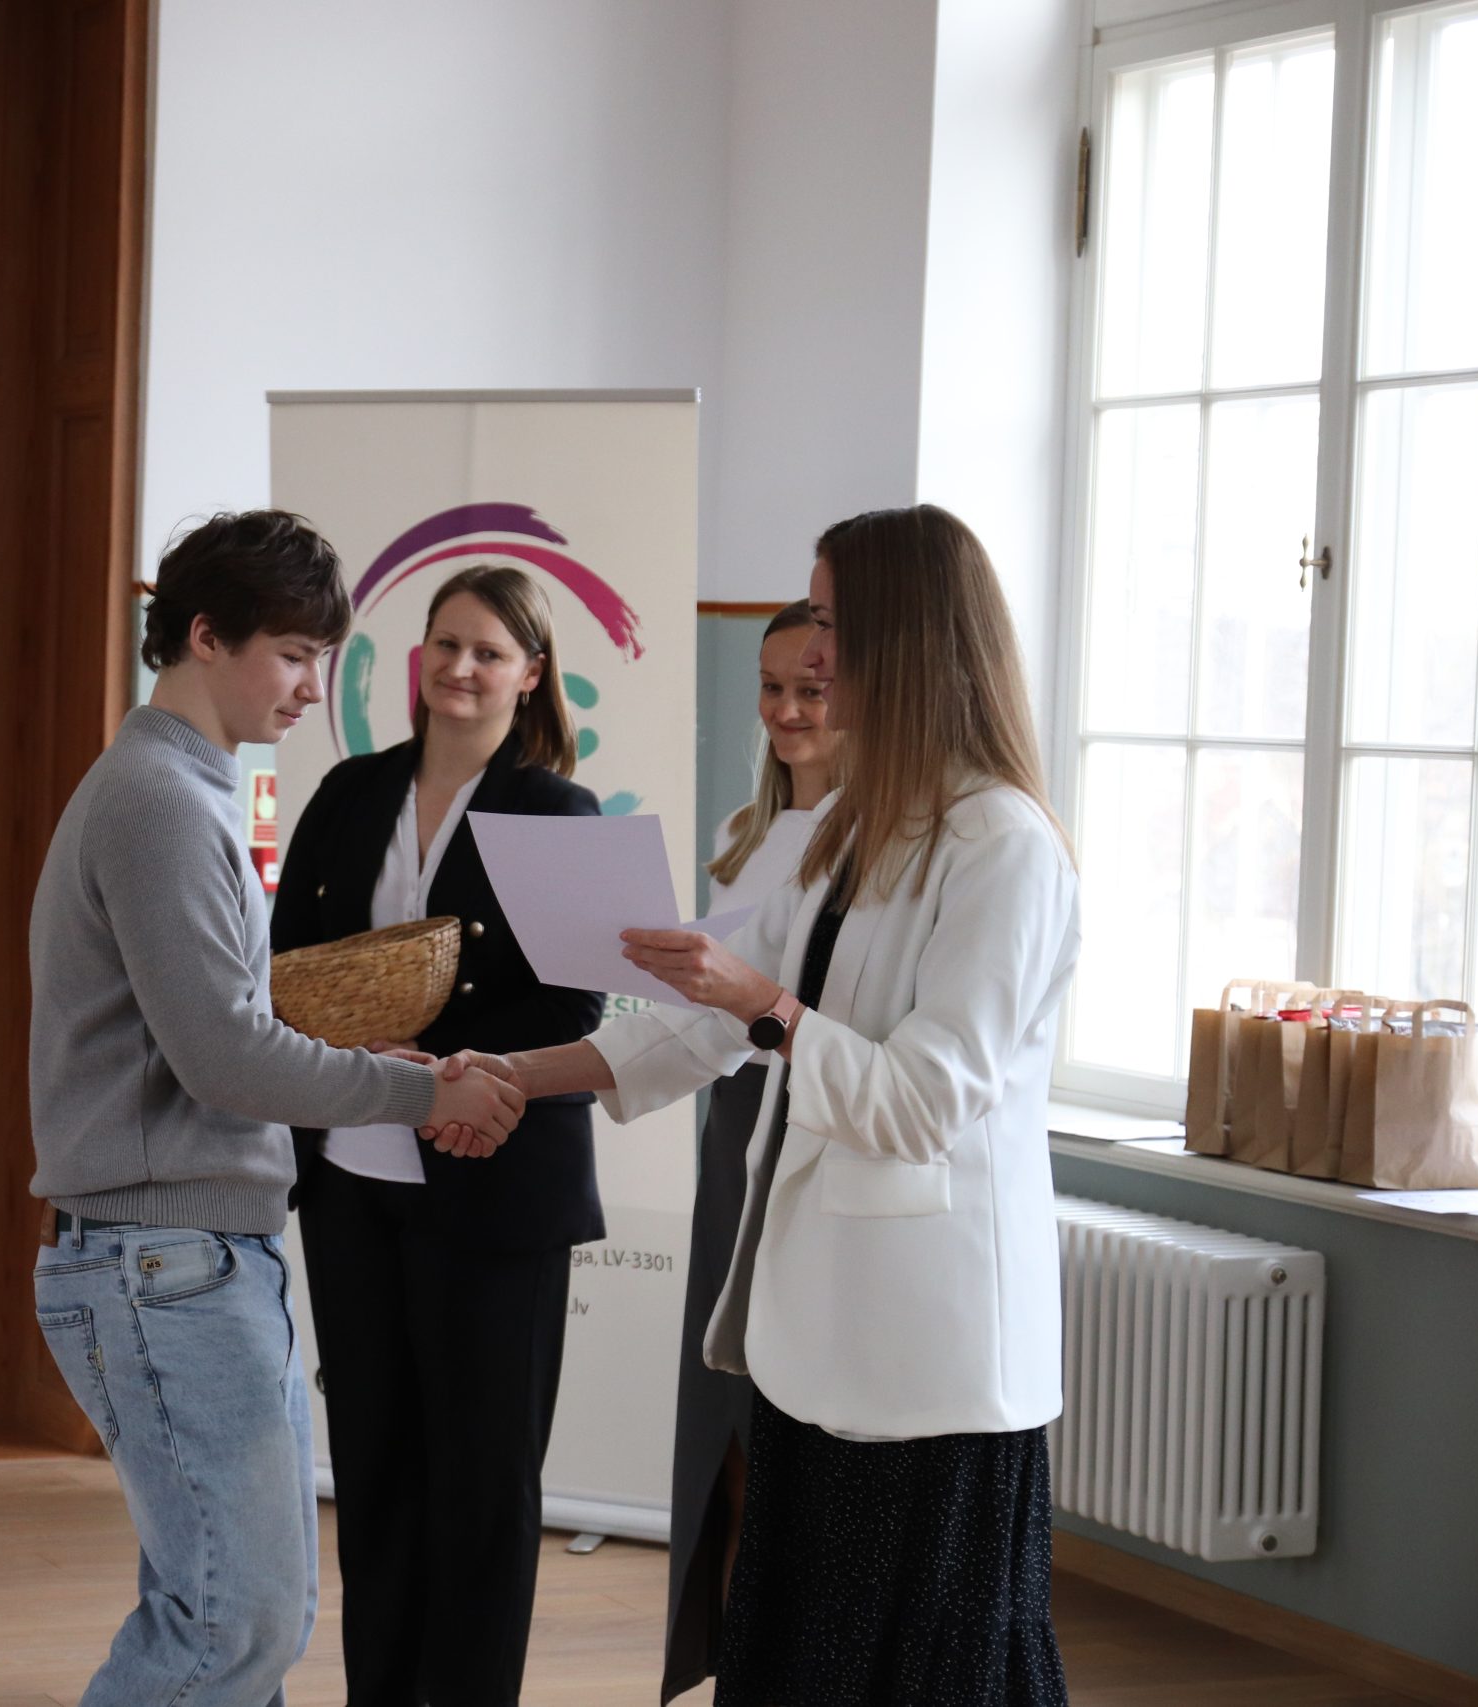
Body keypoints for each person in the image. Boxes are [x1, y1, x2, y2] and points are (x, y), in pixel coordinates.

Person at [437, 504, 1079, 1705]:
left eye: (829, 619)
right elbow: (697, 1025)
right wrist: (517, 1072)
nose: (812, 653)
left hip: (929, 1364)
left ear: (903, 632)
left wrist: (765, 1004)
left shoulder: (1003, 846)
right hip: (813, 1342)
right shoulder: (851, 824)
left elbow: (922, 1101)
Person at [27, 510, 529, 1707]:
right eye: (295, 655)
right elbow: (226, 1061)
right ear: (206, 636)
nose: (314, 688)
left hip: (179, 1257)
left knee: (225, 1617)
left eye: (323, 659)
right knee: (237, 1628)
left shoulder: (177, 786)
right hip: (163, 1262)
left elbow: (221, 1034)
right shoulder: (159, 798)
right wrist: (421, 1088)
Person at [271, 565, 606, 1707]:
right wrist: (358, 1056)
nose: (460, 668)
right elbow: (287, 964)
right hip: (351, 1174)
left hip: (494, 1177)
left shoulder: (559, 813)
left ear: (532, 675)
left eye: (489, 652)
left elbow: (576, 1005)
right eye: (445, 643)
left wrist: (447, 1066)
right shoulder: (348, 789)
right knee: (375, 1473)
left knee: (484, 1486)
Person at [661, 598, 840, 1704]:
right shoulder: (748, 831)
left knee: (776, 1436)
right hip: (732, 1125)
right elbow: (710, 1012)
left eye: (808, 690)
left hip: (808, 1124)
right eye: (771, 688)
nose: (784, 710)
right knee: (721, 1435)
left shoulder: (873, 845)